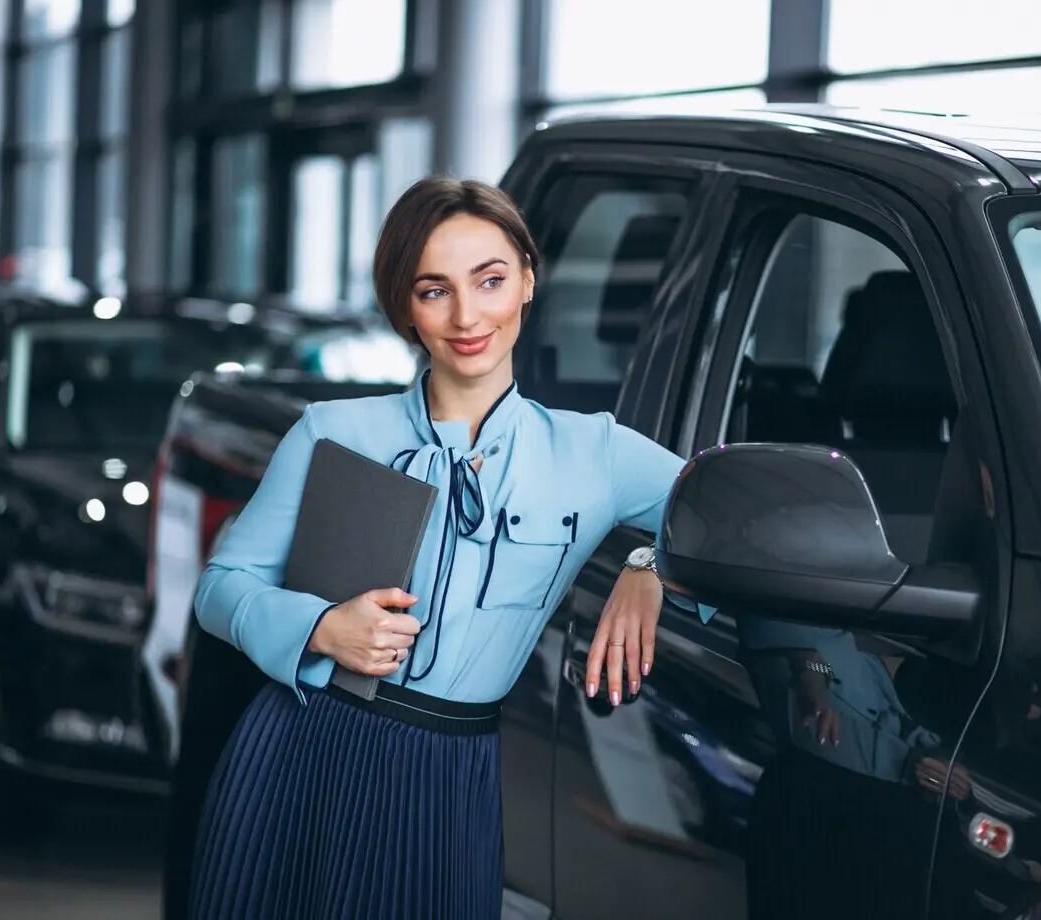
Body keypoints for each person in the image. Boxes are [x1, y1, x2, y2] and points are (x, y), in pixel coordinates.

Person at [187, 176, 708, 919]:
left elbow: (727, 514)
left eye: (490, 281)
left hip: (451, 777)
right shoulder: (334, 432)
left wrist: (649, 563)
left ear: (527, 280)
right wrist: (321, 628)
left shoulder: (598, 454)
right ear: (404, 306)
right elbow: (221, 586)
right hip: (305, 754)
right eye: (434, 291)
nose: (467, 316)